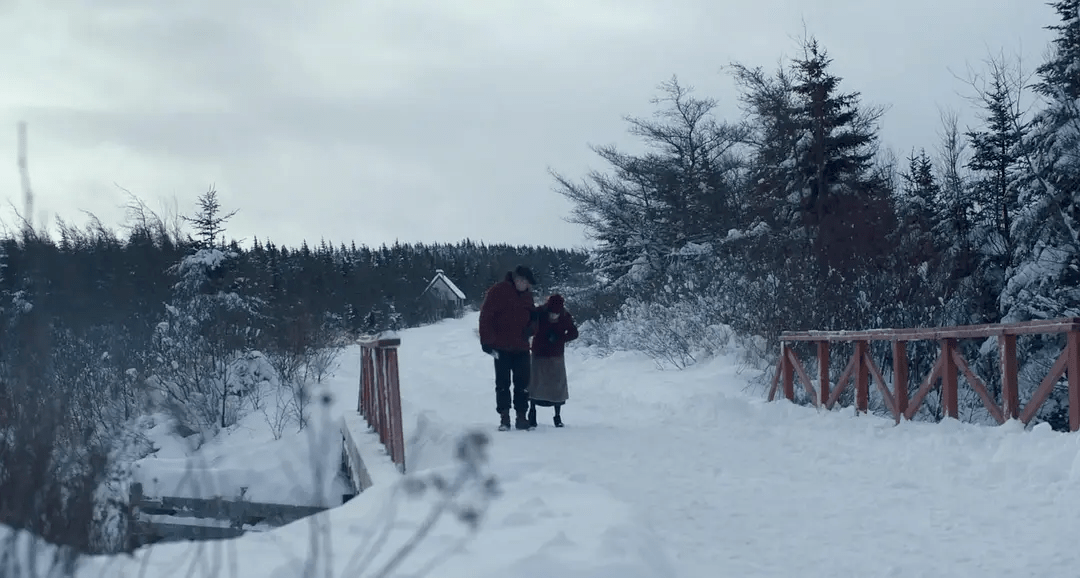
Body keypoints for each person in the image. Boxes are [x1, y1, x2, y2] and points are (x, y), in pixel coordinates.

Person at [478, 265, 538, 431]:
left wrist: (531, 329)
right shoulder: (497, 292)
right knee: (503, 383)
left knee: (523, 383)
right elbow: (485, 317)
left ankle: (521, 416)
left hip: (522, 347)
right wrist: (486, 341)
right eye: (522, 281)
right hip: (501, 347)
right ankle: (504, 417)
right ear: (516, 278)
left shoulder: (527, 296)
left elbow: (534, 317)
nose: (524, 285)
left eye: (527, 283)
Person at [527, 294, 578, 428]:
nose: (553, 316)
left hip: (556, 356)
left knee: (557, 387)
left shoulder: (565, 316)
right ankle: (532, 414)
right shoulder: (538, 313)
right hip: (539, 354)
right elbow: (528, 327)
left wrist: (560, 337)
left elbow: (574, 333)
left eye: (556, 313)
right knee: (535, 384)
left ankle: (557, 416)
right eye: (551, 313)